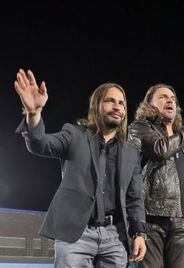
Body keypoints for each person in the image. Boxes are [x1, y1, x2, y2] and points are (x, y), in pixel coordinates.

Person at [14, 69, 147, 267]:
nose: (117, 106)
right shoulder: (74, 134)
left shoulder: (131, 151)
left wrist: (139, 233)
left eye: (121, 103)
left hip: (114, 236)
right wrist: (34, 113)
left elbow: (135, 197)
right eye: (110, 100)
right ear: (96, 105)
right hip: (75, 234)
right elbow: (40, 143)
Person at [128, 83, 184, 268]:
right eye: (163, 97)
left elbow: (179, 182)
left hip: (182, 223)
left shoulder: (180, 141)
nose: (170, 100)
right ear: (149, 104)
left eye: (173, 99)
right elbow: (160, 150)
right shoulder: (140, 127)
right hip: (151, 220)